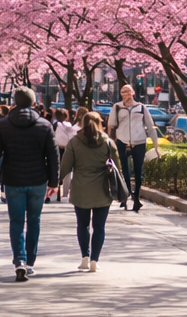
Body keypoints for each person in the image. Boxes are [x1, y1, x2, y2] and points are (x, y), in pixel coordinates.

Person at [0, 87, 60, 281]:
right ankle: (30, 262)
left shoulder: (2, 125)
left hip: (13, 179)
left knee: (16, 221)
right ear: (33, 102)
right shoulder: (44, 125)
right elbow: (53, 156)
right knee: (34, 220)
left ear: (15, 101)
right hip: (38, 180)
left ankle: (19, 260)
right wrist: (54, 181)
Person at [61, 111, 121, 272]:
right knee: (99, 227)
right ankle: (95, 260)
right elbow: (117, 167)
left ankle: (85, 258)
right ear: (100, 123)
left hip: (80, 189)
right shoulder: (108, 142)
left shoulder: (74, 142)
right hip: (102, 190)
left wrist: (54, 182)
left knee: (82, 225)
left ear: (81, 123)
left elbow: (65, 166)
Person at [106, 84, 159, 212]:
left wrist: (156, 145)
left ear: (133, 93)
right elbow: (111, 125)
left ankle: (136, 198)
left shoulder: (141, 107)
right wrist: (109, 144)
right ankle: (126, 195)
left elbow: (150, 127)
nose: (126, 94)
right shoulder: (117, 107)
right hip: (122, 141)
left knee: (138, 171)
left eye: (128, 91)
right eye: (123, 92)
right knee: (124, 171)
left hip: (139, 141)